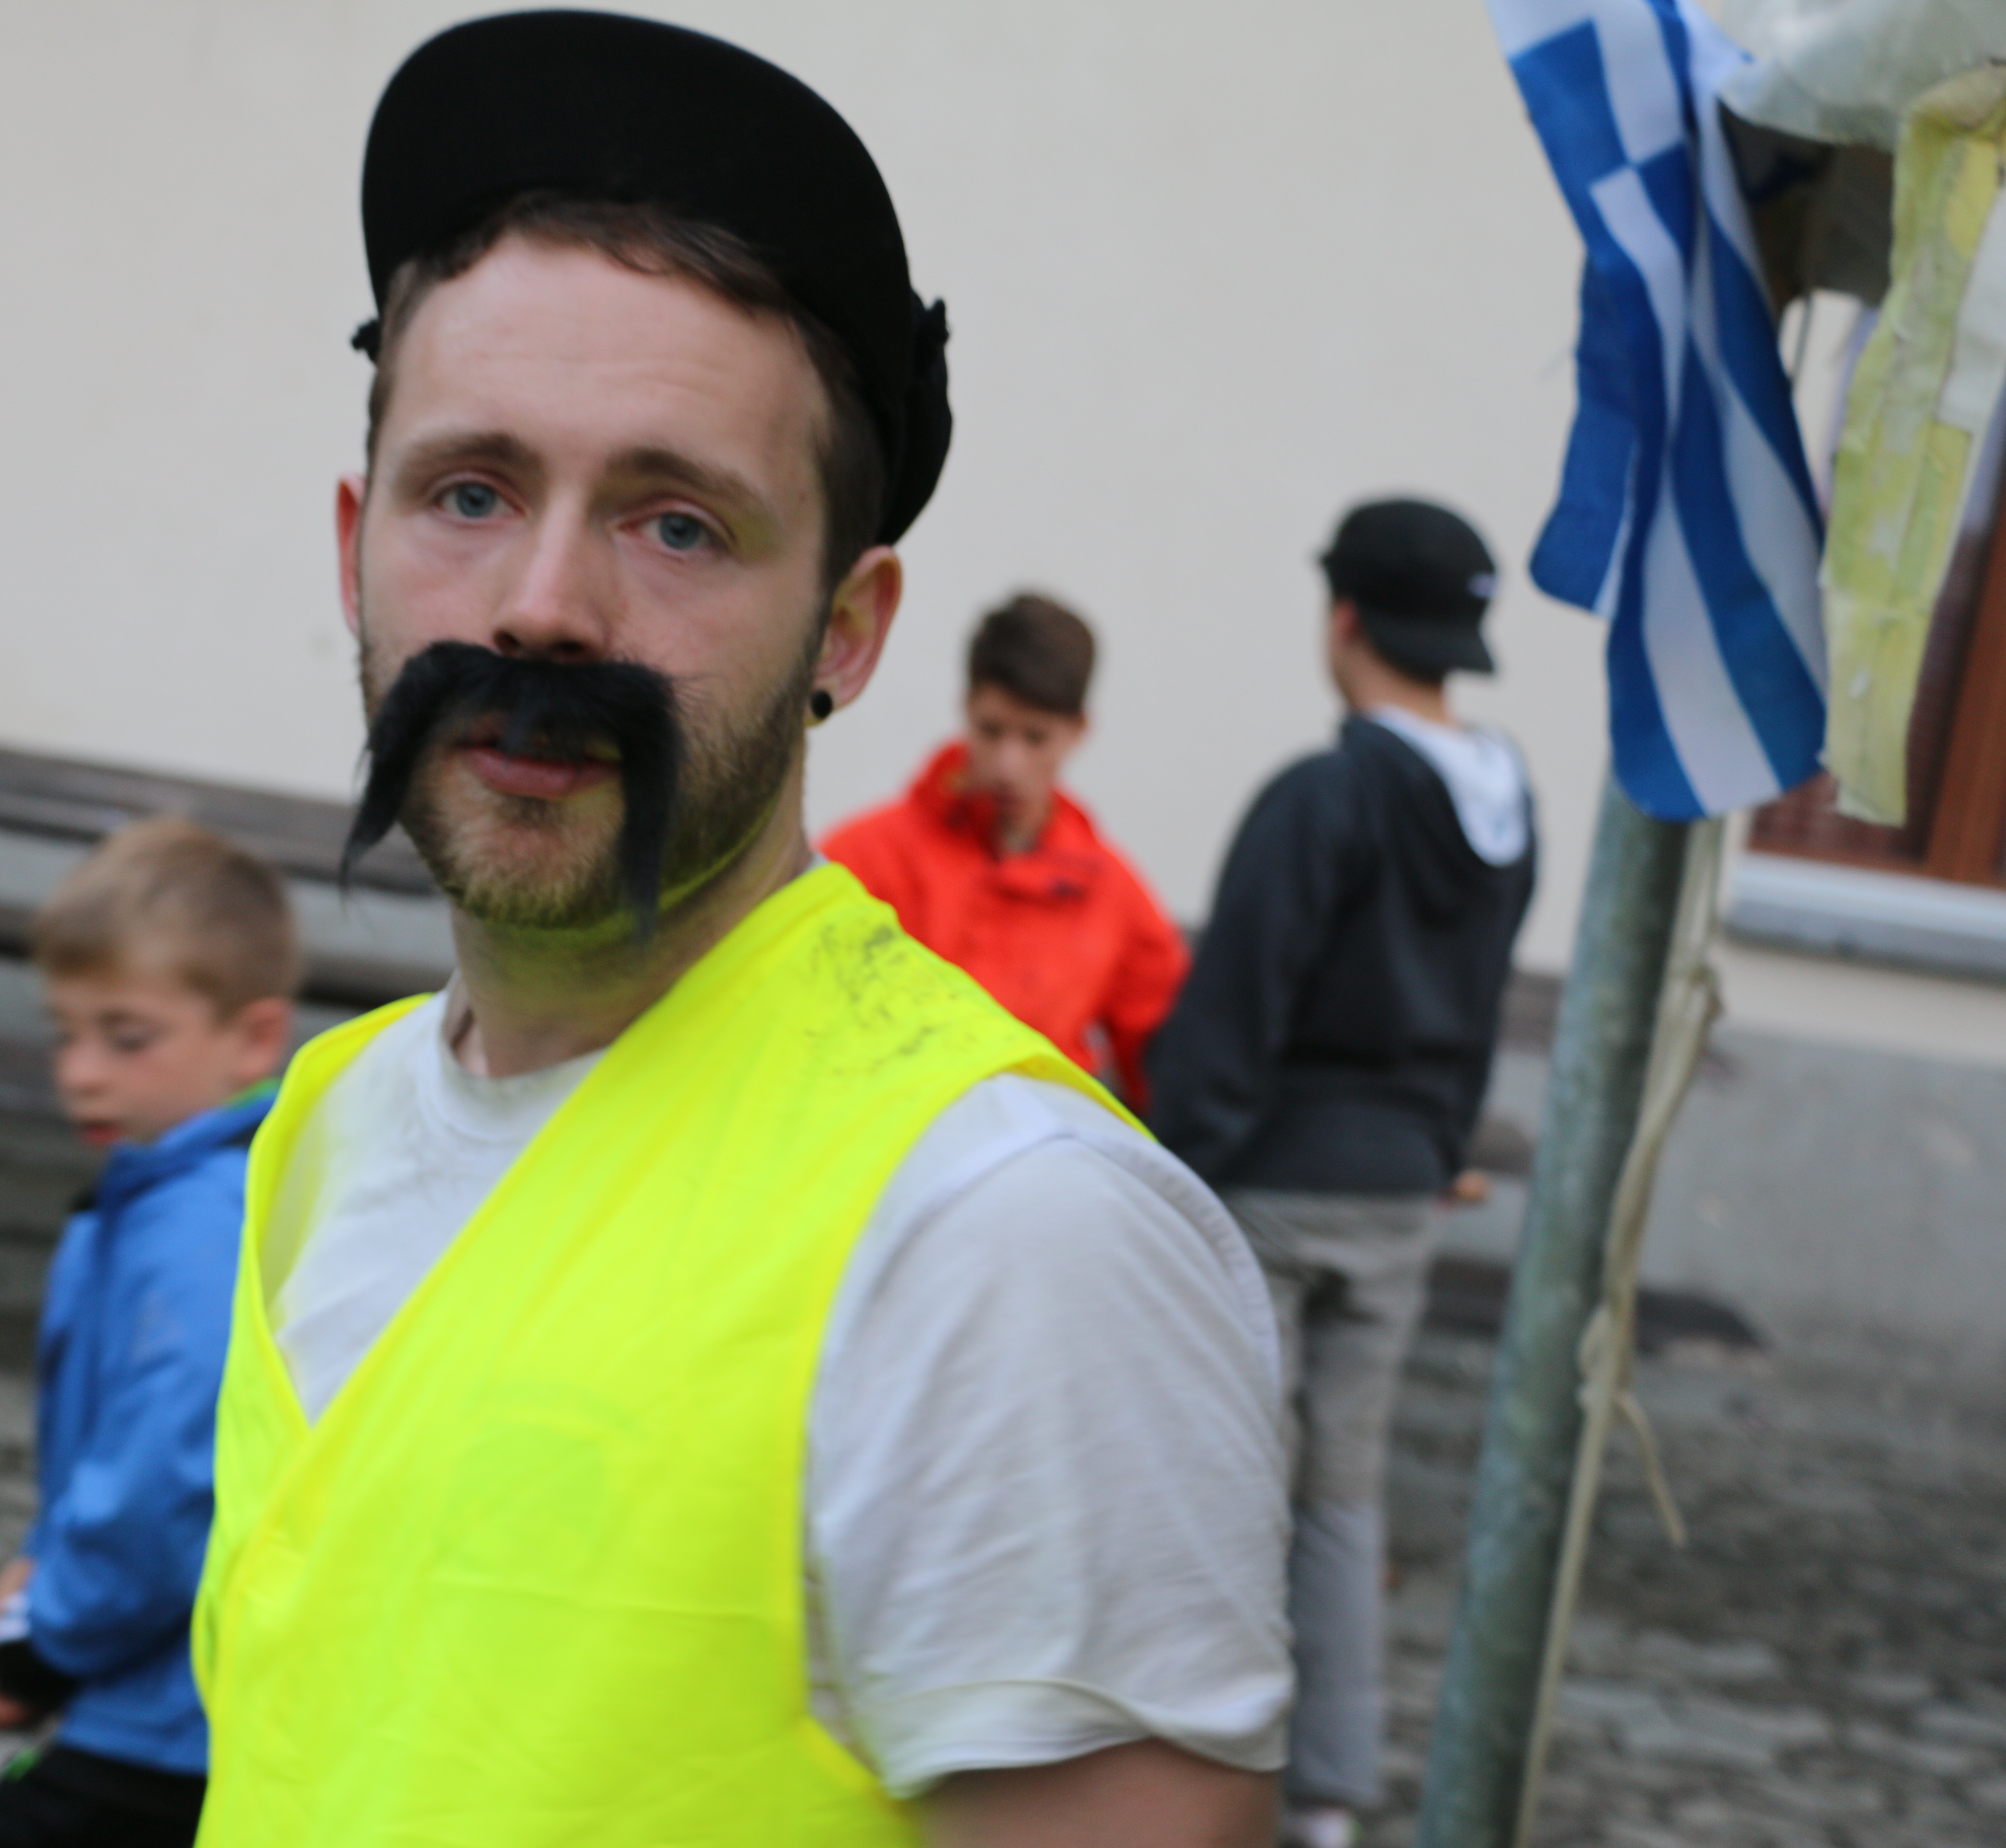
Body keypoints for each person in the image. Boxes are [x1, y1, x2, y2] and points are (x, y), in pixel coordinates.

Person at [190, 15, 1291, 1846]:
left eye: (678, 525)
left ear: (849, 628)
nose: (543, 606)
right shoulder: (328, 1121)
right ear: (352, 542)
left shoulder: (1006, 1235)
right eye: (469, 492)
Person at [1147, 498, 1538, 1848]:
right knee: (1340, 1495)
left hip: (1275, 1192)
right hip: (1397, 1202)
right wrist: (1434, 1153)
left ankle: (1190, 1774)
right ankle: (1325, 1801)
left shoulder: (1325, 797)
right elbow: (1478, 1011)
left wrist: (1176, 1177)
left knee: (1222, 1481)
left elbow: (1235, 1009)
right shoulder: (1509, 805)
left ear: (1347, 618)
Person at [0, 817, 297, 1848]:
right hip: (157, 1706)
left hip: (163, 1722)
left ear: (254, 1037)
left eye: (127, 1038)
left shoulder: (199, 1225)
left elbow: (168, 1481)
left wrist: (43, 1642)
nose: (82, 1073)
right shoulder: (167, 1189)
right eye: (66, 1033)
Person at [823, 593, 1187, 1107]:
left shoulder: (1113, 895)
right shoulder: (860, 861)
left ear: (1078, 732)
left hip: (1047, 1144)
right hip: (889, 1136)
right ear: (967, 707)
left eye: (1036, 738)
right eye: (991, 731)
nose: (1007, 765)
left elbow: (1175, 1077)